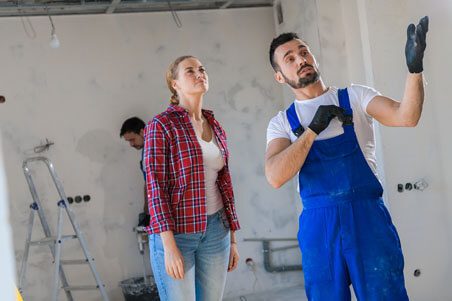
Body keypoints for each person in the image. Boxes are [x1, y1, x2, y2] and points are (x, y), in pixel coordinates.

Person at [265, 17, 428, 300]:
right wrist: (312, 131)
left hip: (368, 220)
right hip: (319, 228)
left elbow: (407, 117)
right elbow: (275, 176)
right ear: (280, 76)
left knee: (386, 295)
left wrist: (414, 70)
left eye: (303, 51)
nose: (300, 59)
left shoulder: (354, 97)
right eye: (289, 58)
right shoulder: (281, 123)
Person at [143, 55, 240, 301]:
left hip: (217, 230)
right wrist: (169, 246)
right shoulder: (162, 125)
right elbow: (155, 188)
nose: (199, 74)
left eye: (202, 69)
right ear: (175, 84)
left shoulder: (215, 125)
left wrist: (234, 238)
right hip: (177, 234)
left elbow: (225, 184)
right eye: (190, 71)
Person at [120, 117, 149, 224]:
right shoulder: (146, 150)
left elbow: (151, 185)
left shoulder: (151, 151)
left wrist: (147, 212)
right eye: (128, 141)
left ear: (142, 132)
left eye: (132, 139)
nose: (131, 144)